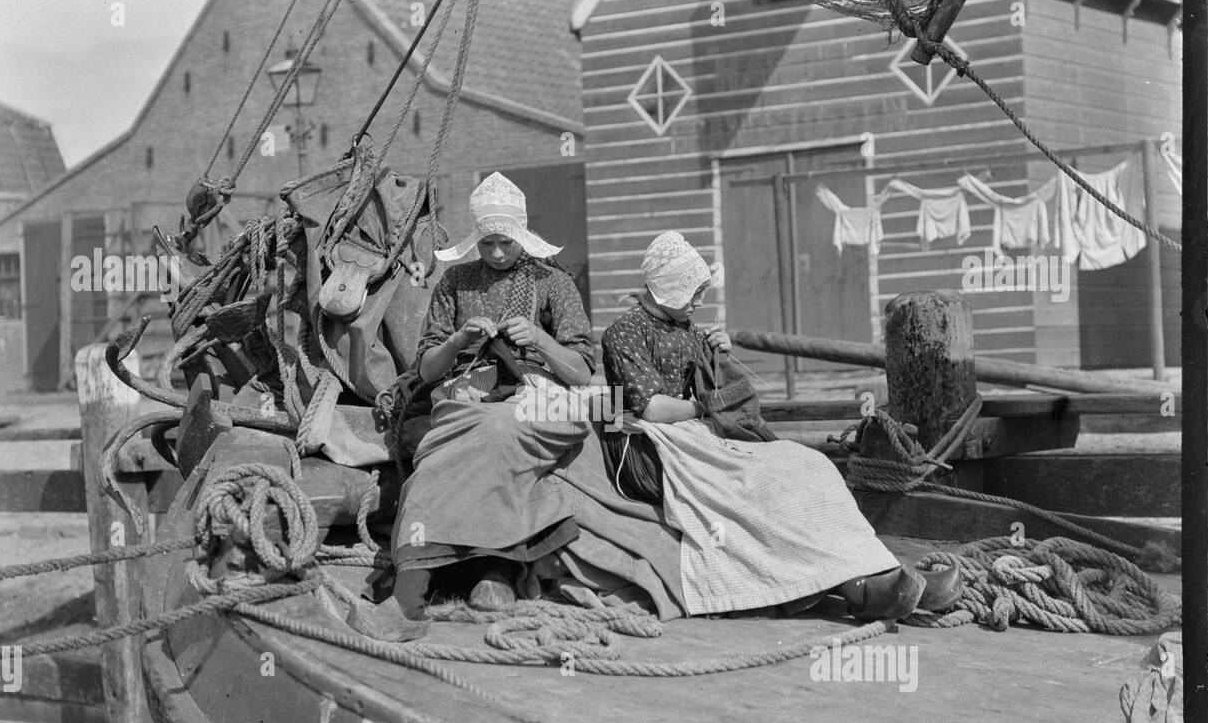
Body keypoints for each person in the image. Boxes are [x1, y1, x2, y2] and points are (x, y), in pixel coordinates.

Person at [600, 230, 960, 621]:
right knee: (765, 482)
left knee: (807, 464)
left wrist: (717, 357)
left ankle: (880, 568)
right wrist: (708, 407)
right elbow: (651, 409)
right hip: (648, 448)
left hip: (694, 434)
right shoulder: (623, 333)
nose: (701, 301)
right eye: (694, 292)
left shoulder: (685, 329)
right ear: (669, 288)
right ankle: (860, 590)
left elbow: (708, 389)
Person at [355, 172, 598, 640]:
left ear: (521, 236)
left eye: (505, 243)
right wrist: (459, 342)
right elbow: (427, 370)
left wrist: (542, 340)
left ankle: (463, 580)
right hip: (467, 402)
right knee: (436, 460)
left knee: (497, 433)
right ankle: (411, 597)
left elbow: (582, 373)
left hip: (539, 402)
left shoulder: (553, 283)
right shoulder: (455, 282)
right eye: (487, 245)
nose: (498, 254)